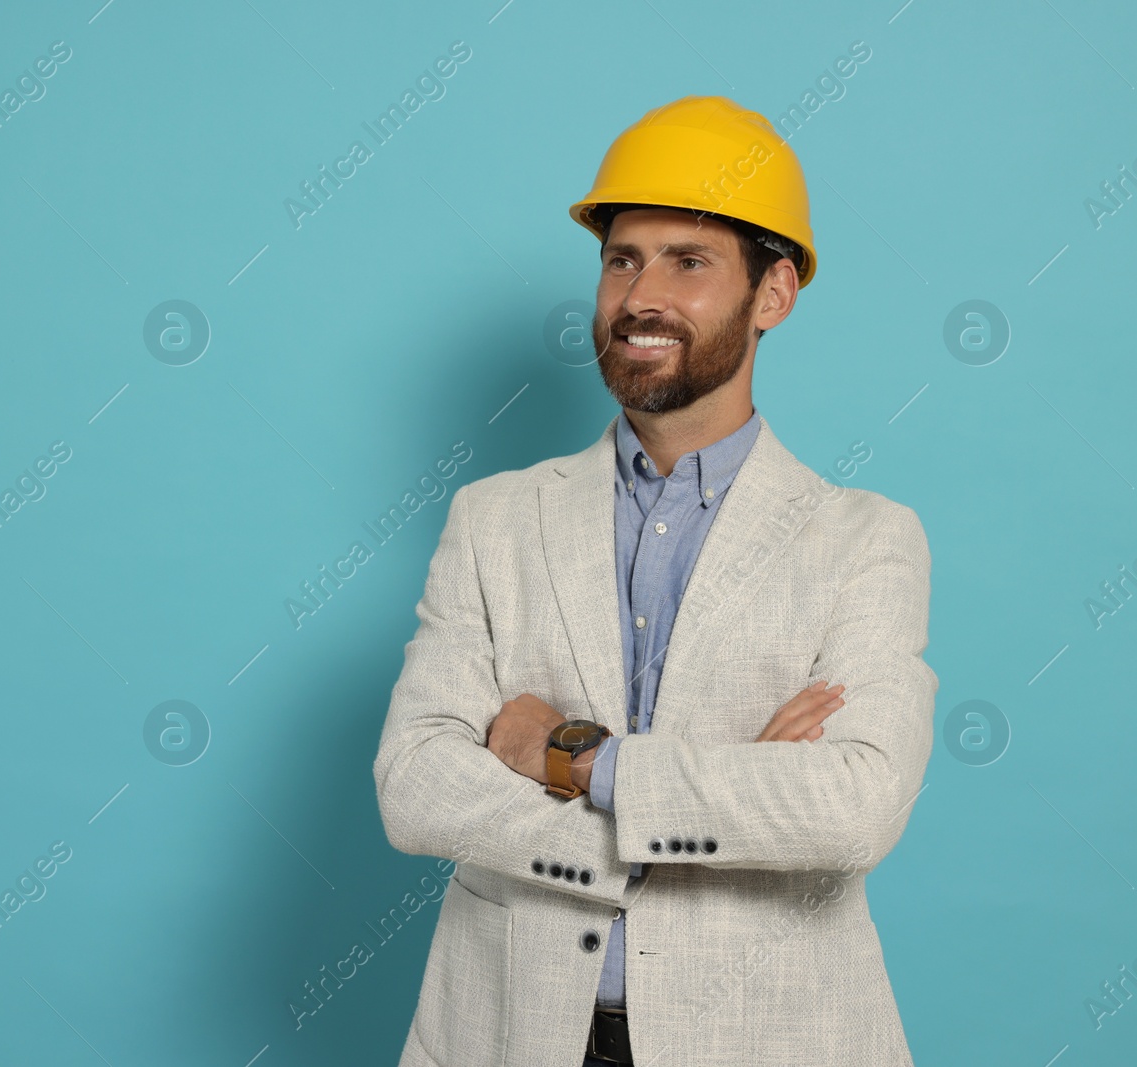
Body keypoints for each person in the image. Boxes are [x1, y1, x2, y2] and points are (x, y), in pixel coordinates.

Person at [373, 95, 935, 1066]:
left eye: (690, 261)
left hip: (767, 1036)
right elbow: (416, 785)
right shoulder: (493, 519)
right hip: (510, 1030)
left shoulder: (864, 538)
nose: (641, 296)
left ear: (774, 293)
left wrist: (569, 754)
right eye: (621, 257)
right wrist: (721, 803)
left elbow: (852, 804)